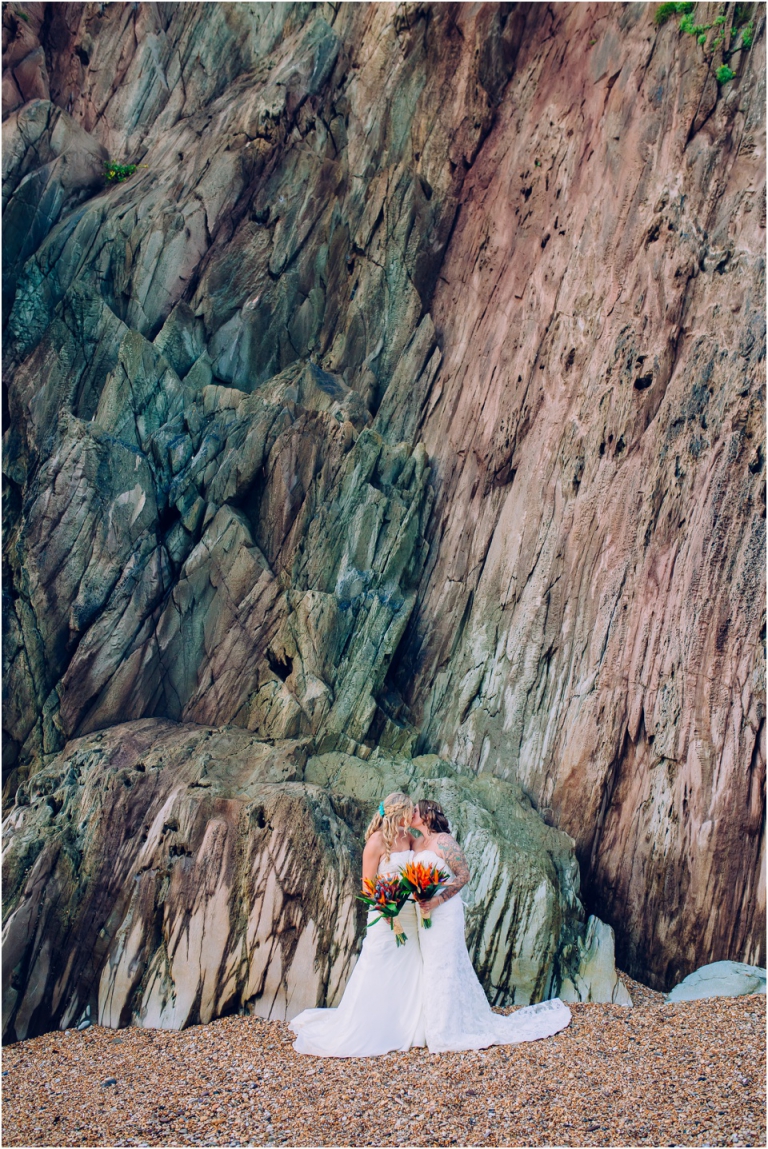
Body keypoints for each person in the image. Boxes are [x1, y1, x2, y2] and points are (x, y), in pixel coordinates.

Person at [411, 798, 571, 1052]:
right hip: (424, 913)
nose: (411, 814)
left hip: (444, 912)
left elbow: (464, 875)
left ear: (427, 815)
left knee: (444, 965)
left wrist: (438, 899)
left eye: (415, 811)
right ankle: (430, 1024)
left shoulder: (444, 842)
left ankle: (444, 1029)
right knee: (429, 964)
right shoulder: (418, 843)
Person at [290, 792, 425, 1056]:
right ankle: (373, 1026)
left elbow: (425, 856)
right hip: (386, 914)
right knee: (380, 962)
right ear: (399, 812)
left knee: (410, 965)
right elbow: (368, 885)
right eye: (409, 811)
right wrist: (385, 908)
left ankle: (406, 1024)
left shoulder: (409, 837)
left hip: (409, 914)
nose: (412, 816)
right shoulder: (375, 842)